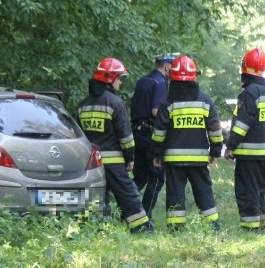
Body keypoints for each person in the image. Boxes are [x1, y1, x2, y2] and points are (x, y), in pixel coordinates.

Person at [78, 57, 153, 233]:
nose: (120, 82)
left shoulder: (82, 105)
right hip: (113, 161)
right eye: (119, 78)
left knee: (97, 195)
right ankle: (141, 227)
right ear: (109, 79)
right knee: (128, 194)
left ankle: (97, 228)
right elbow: (126, 136)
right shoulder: (115, 103)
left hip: (92, 163)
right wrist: (130, 158)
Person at [151, 55, 224, 229]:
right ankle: (212, 226)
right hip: (199, 159)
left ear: (172, 77)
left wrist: (157, 153)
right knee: (204, 191)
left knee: (175, 193)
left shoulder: (167, 102)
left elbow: (159, 132)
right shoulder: (205, 100)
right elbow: (215, 130)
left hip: (174, 160)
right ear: (194, 76)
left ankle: (176, 228)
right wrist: (215, 152)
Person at [224, 48, 265, 231]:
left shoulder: (249, 93)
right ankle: (260, 223)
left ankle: (250, 227)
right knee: (259, 189)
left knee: (247, 190)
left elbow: (241, 124)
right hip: (262, 152)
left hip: (247, 153)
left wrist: (230, 146)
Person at [130, 53, 178, 221]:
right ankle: (145, 216)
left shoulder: (143, 80)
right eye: (173, 67)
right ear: (167, 67)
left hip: (137, 133)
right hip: (150, 135)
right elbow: (156, 111)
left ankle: (126, 212)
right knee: (156, 178)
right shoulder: (161, 83)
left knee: (140, 177)